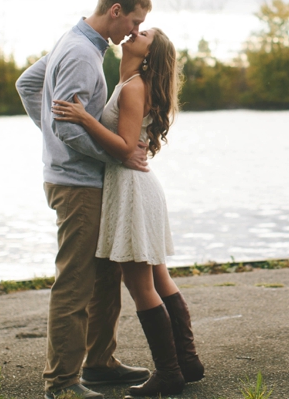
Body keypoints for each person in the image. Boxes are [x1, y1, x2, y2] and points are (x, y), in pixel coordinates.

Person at [16, 0, 153, 399]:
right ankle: (61, 384)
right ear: (115, 10)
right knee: (75, 283)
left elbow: (27, 84)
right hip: (77, 185)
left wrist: (54, 138)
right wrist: (118, 155)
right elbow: (68, 128)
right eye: (133, 21)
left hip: (82, 178)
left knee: (105, 274)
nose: (133, 31)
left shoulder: (77, 43)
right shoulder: (80, 53)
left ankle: (98, 364)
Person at [52, 27, 203, 399]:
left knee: (141, 285)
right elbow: (128, 144)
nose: (135, 33)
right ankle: (187, 361)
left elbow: (122, 146)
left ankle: (169, 374)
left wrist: (85, 119)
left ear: (150, 53)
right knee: (159, 277)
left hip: (132, 191)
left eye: (144, 33)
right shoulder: (130, 82)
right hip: (136, 188)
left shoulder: (135, 87)